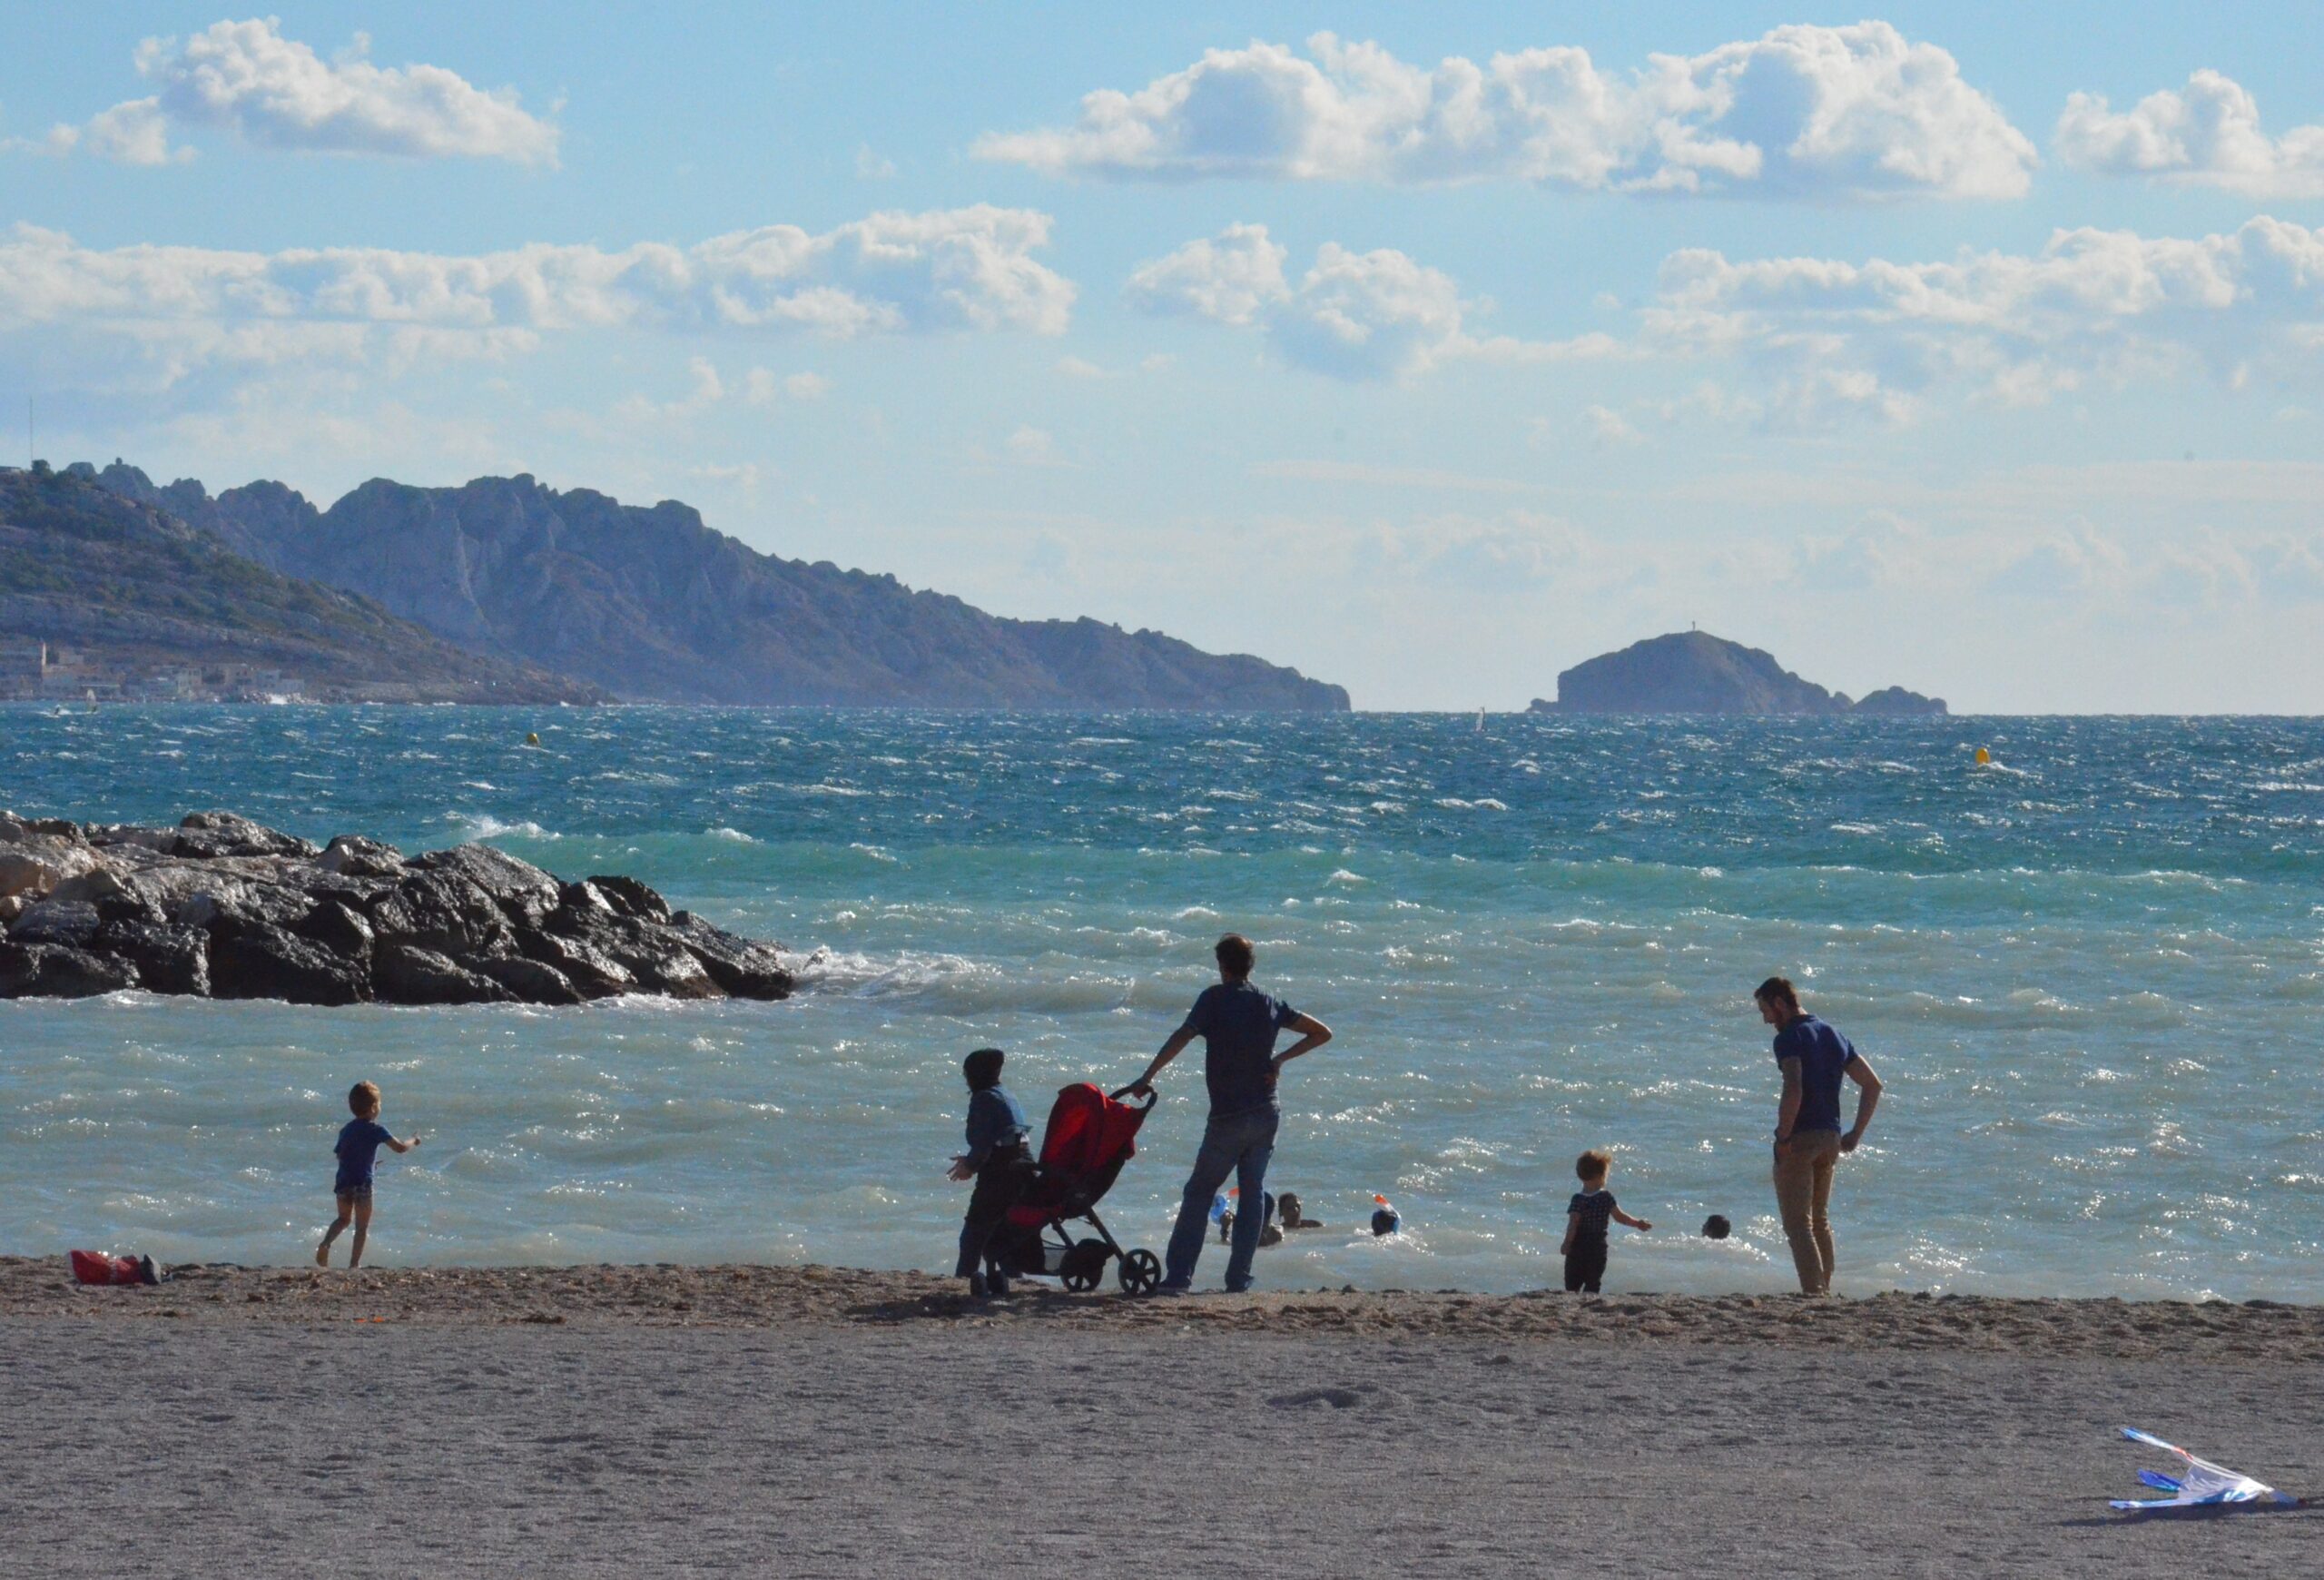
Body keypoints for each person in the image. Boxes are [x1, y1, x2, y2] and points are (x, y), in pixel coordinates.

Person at [1125, 933, 1332, 1294]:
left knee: (1200, 1192)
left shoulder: (1213, 999)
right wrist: (1280, 1059)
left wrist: (1148, 1076)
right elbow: (1321, 1033)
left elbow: (1182, 1036)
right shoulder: (1269, 1001)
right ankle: (1238, 1280)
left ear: (1222, 966)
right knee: (1253, 1193)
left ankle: (1178, 1279)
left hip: (1228, 1117)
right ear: (1250, 966)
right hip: (1267, 1111)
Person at [1755, 976, 1884, 1296]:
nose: (1766, 1019)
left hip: (1801, 1137)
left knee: (1798, 1224)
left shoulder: (1789, 1037)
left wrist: (1783, 1138)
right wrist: (1855, 1133)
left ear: (1780, 1003)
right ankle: (1823, 1288)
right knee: (1819, 1221)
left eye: (1765, 1010)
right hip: (1831, 1137)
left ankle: (1814, 1293)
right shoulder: (1833, 1034)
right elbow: (1872, 1084)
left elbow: (1794, 1088)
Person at [948, 1047, 1034, 1298]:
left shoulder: (984, 1098)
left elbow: (984, 1144)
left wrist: (970, 1166)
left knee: (974, 1234)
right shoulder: (1007, 1095)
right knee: (999, 1235)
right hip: (1024, 1167)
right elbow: (1004, 1139)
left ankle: (961, 1283)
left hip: (1002, 1172)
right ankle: (1013, 1279)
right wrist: (974, 1159)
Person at [317, 1081, 420, 1269]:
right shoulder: (376, 1129)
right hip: (363, 1183)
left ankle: (325, 1244)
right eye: (379, 1104)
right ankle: (354, 1264)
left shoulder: (346, 1130)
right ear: (374, 1107)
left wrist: (369, 1164)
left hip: (343, 1182)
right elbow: (400, 1148)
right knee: (361, 1227)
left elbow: (341, 1155)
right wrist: (413, 1140)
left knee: (343, 1219)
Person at [1561, 1149, 1651, 1293]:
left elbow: (1573, 1224)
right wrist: (1637, 1223)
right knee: (1593, 1281)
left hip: (1577, 1247)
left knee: (1572, 1283)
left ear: (1580, 1175)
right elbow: (1620, 1217)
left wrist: (1567, 1243)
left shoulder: (1577, 1199)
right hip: (1597, 1246)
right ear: (1601, 1175)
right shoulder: (1605, 1197)